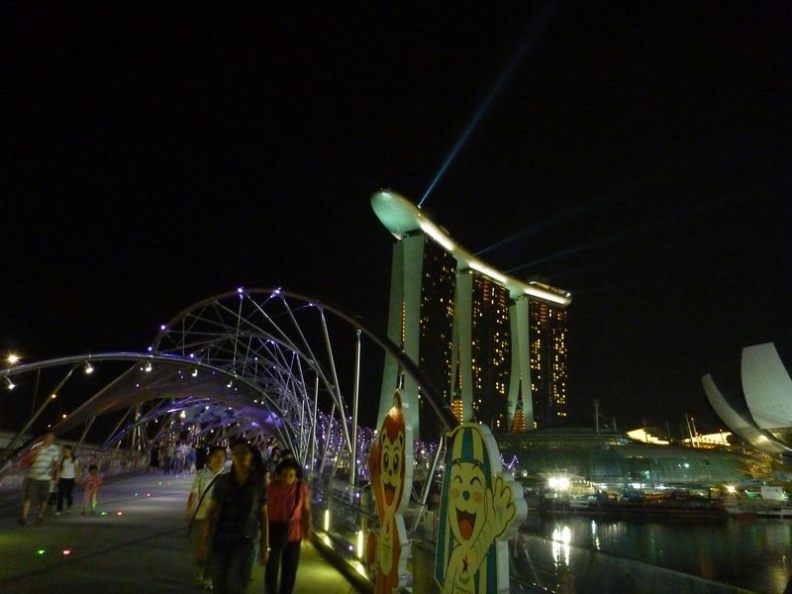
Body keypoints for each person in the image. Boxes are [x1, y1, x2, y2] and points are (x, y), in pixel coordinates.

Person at [198, 440, 269, 594]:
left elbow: (263, 514)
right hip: (221, 537)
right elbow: (211, 512)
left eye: (244, 452)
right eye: (237, 453)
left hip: (246, 540)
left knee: (237, 582)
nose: (241, 456)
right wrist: (203, 540)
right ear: (233, 456)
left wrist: (265, 545)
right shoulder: (223, 481)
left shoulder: (258, 483)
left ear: (251, 456)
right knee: (220, 582)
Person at [265, 457, 311, 594]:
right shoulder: (272, 487)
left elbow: (306, 510)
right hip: (273, 531)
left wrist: (308, 532)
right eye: (284, 474)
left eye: (291, 475)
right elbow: (264, 509)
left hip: (294, 534)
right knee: (271, 567)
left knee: (290, 569)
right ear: (279, 473)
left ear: (296, 475)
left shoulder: (301, 489)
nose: (287, 478)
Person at [187, 445, 228, 590]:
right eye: (216, 456)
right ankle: (202, 569)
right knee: (200, 549)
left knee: (214, 550)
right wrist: (189, 511)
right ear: (210, 457)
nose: (219, 459)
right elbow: (193, 494)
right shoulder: (202, 475)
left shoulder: (228, 476)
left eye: (222, 456)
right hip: (201, 517)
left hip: (220, 520)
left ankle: (209, 576)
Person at [19, 431, 60, 525]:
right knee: (28, 497)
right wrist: (35, 454)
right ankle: (24, 518)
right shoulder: (36, 447)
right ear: (44, 438)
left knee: (44, 499)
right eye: (48, 437)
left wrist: (53, 471)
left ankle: (40, 515)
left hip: (46, 478)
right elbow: (29, 462)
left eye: (52, 439)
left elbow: (56, 463)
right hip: (33, 476)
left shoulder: (55, 449)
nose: (50, 440)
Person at [56, 445, 79, 514]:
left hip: (70, 479)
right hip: (62, 478)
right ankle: (59, 509)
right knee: (60, 494)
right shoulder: (62, 459)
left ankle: (69, 506)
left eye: (65, 451)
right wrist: (57, 478)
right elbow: (59, 469)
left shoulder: (74, 459)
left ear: (70, 451)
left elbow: (76, 470)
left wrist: (76, 478)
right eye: (63, 451)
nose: (64, 452)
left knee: (68, 494)